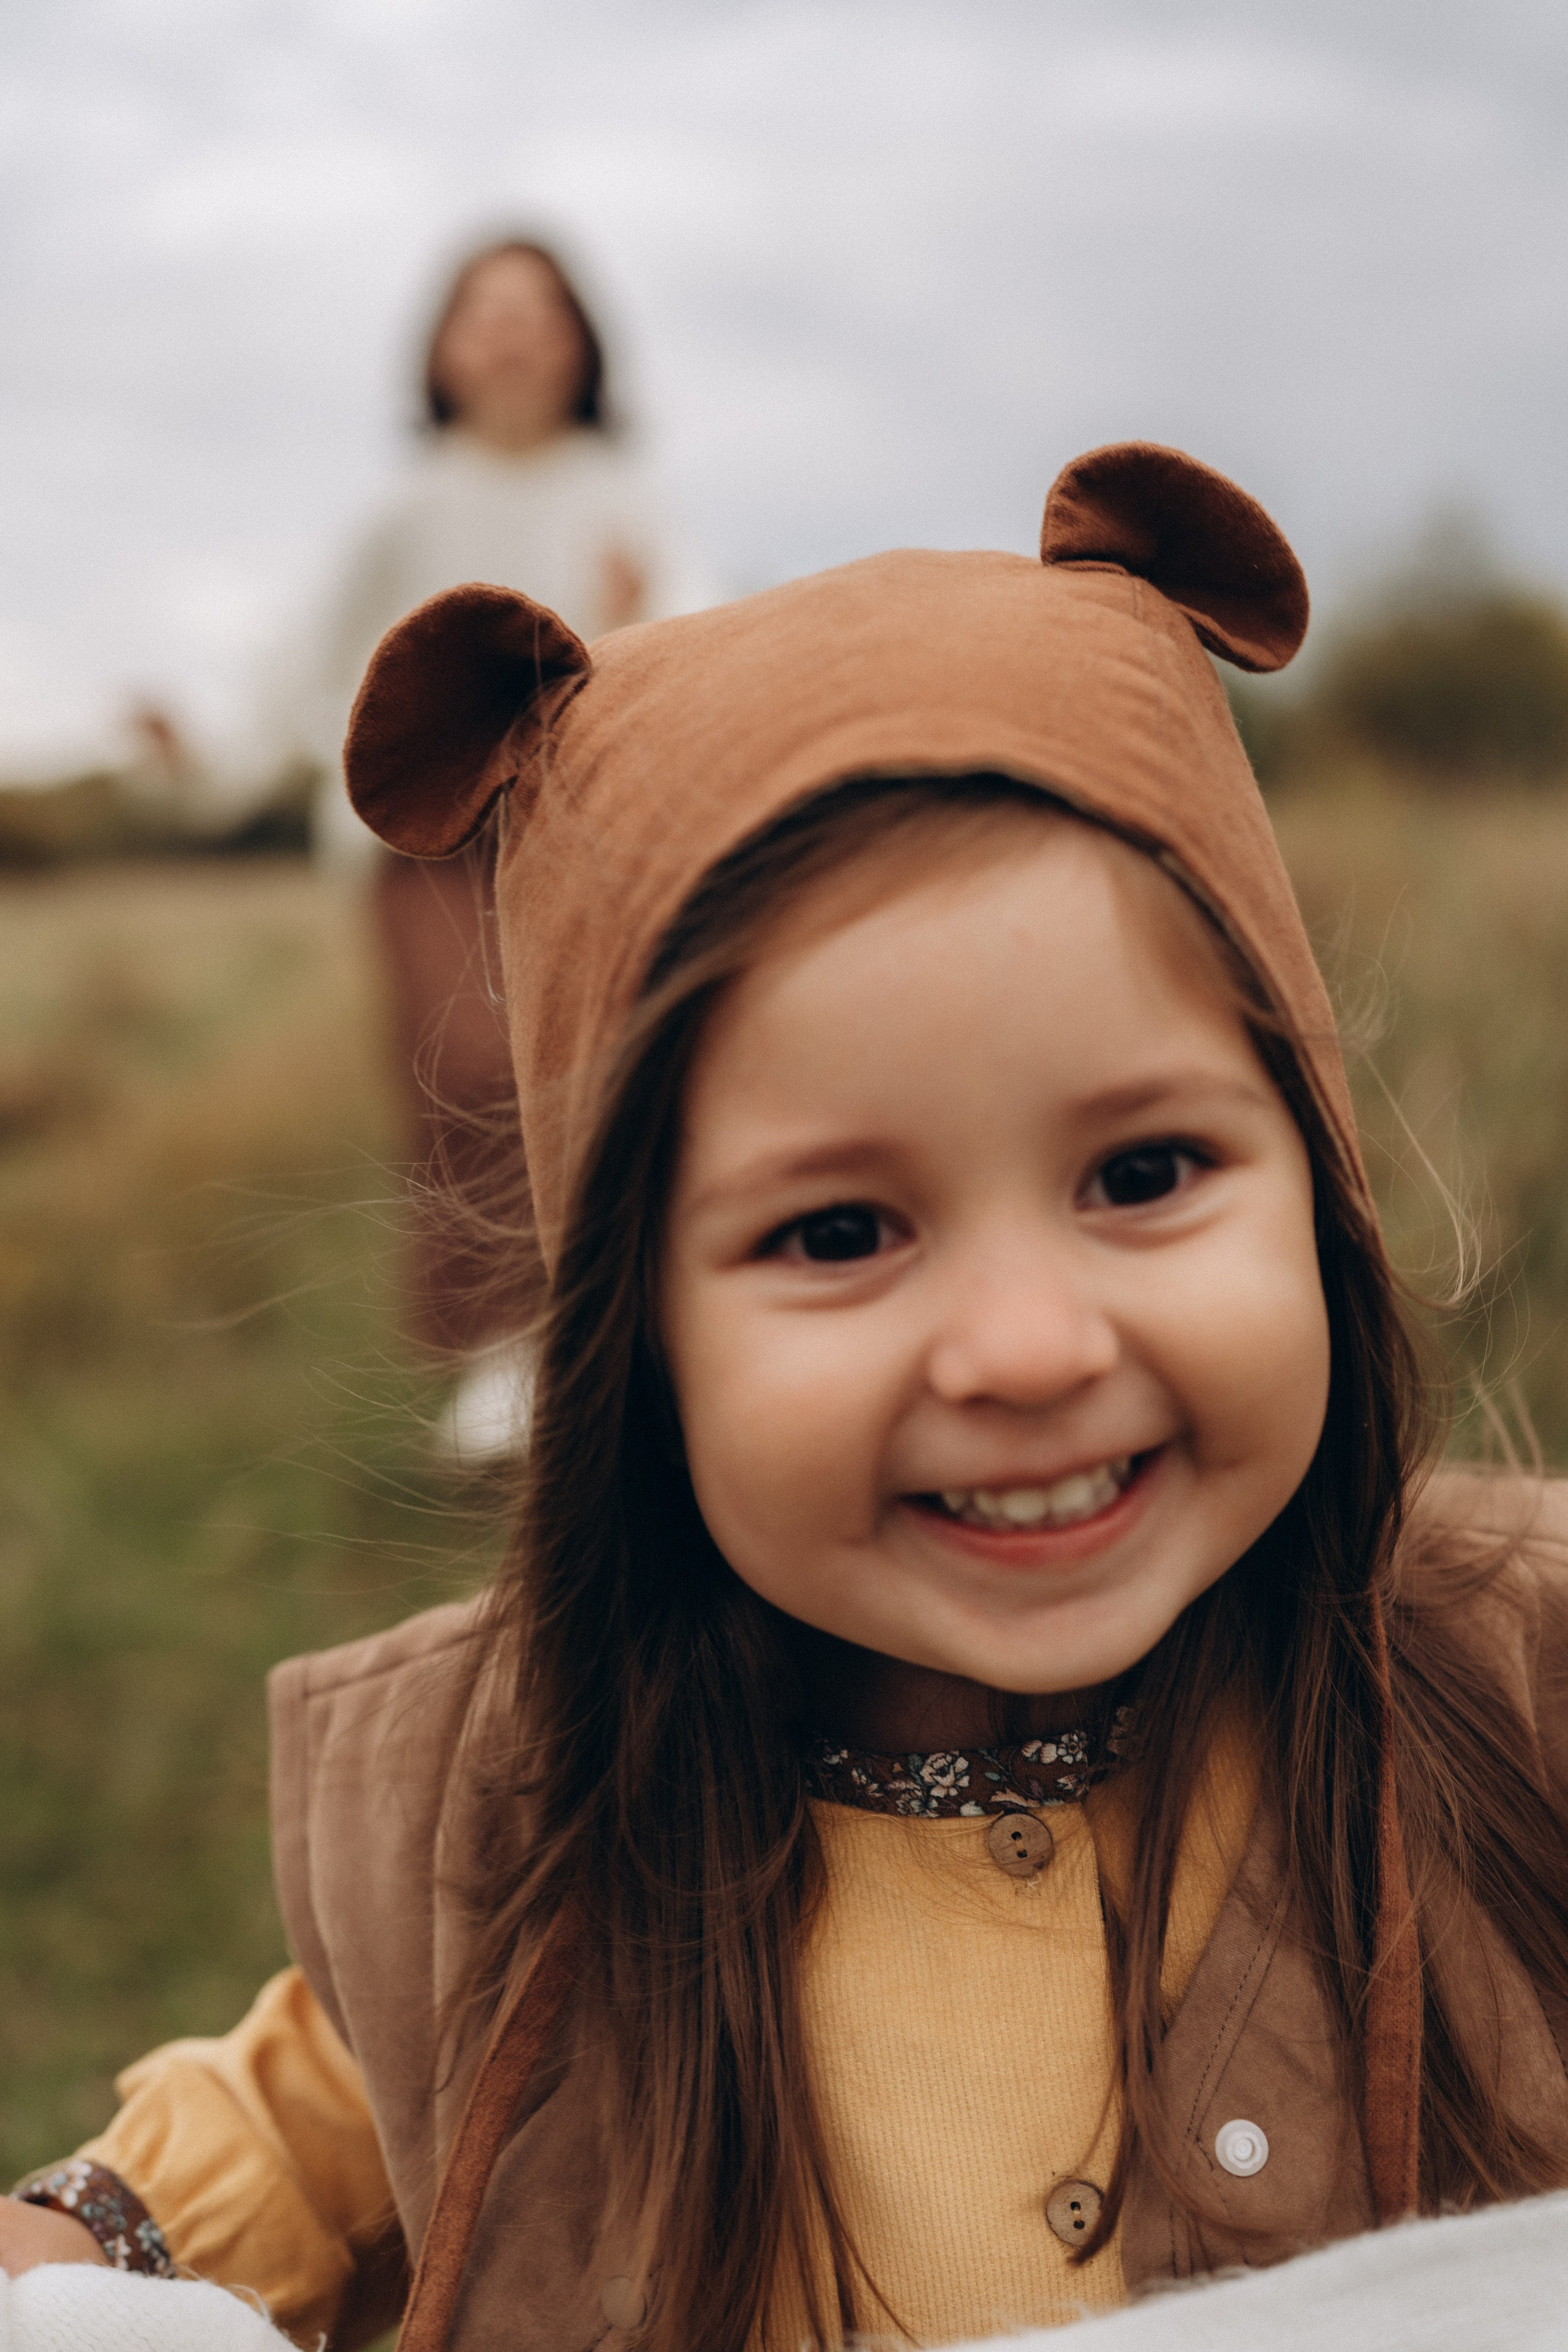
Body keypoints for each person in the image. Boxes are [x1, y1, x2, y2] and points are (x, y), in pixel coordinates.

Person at [8, 442, 1568, 2351]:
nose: (1027, 1348)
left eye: (1144, 1175)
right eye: (840, 1232)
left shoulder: (1520, 1690)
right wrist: (75, 2253)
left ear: (1315, 1170)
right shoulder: (511, 1823)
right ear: (631, 1336)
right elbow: (267, 2131)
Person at [304, 234, 713, 1460]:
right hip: (426, 830)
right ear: (438, 348)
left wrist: (647, 613)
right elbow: (313, 667)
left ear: (583, 341)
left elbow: (690, 626)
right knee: (472, 1071)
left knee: (607, 1063)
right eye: (482, 308)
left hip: (584, 819)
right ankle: (498, 1357)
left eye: (537, 307)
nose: (511, 329)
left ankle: (621, 1329)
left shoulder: (624, 495)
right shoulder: (403, 509)